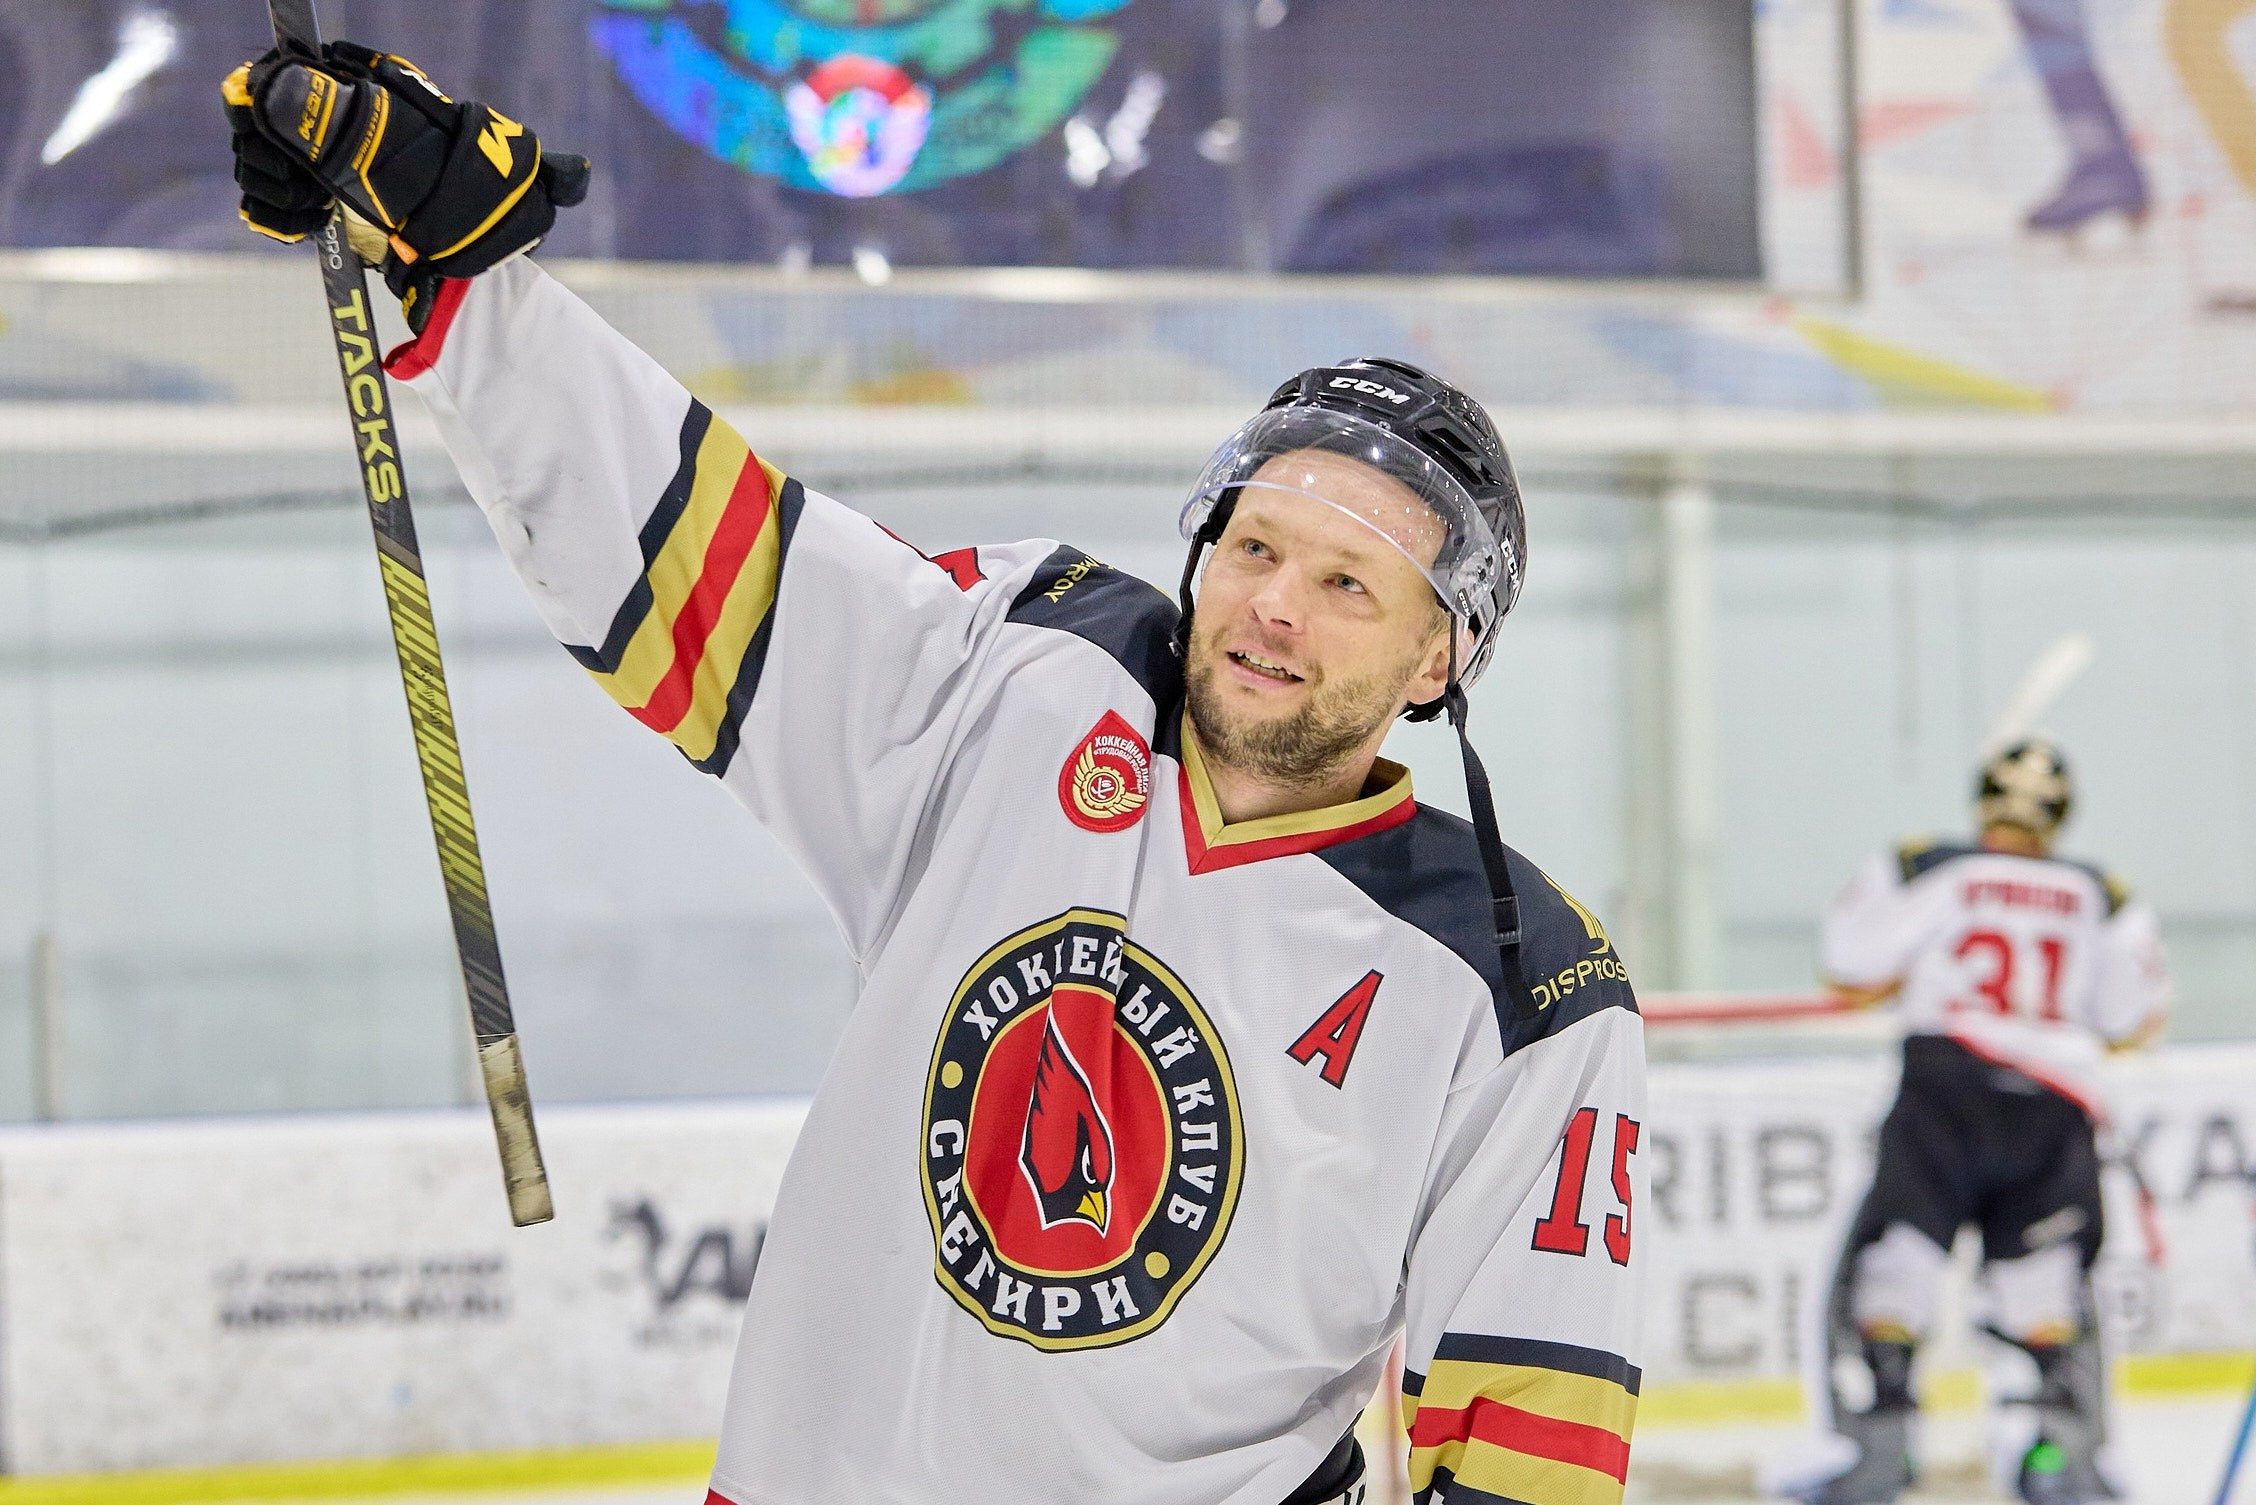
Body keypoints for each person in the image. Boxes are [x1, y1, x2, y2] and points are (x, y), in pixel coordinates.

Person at [223, 44, 1649, 1505]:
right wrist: (469, 279)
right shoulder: (1029, 675)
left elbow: (1531, 1434)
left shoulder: (1526, 982)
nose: (1273, 603)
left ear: (1438, 663)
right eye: (1256, 547)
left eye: (1350, 583)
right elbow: (716, 572)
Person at [1777, 740, 2170, 1505]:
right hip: (2051, 1107)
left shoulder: (1925, 863)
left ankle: (1876, 1454)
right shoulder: (2104, 892)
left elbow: (1851, 970)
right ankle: (2055, 1457)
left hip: (1943, 1090)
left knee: (1896, 1268)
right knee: (2042, 1288)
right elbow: (2133, 1020)